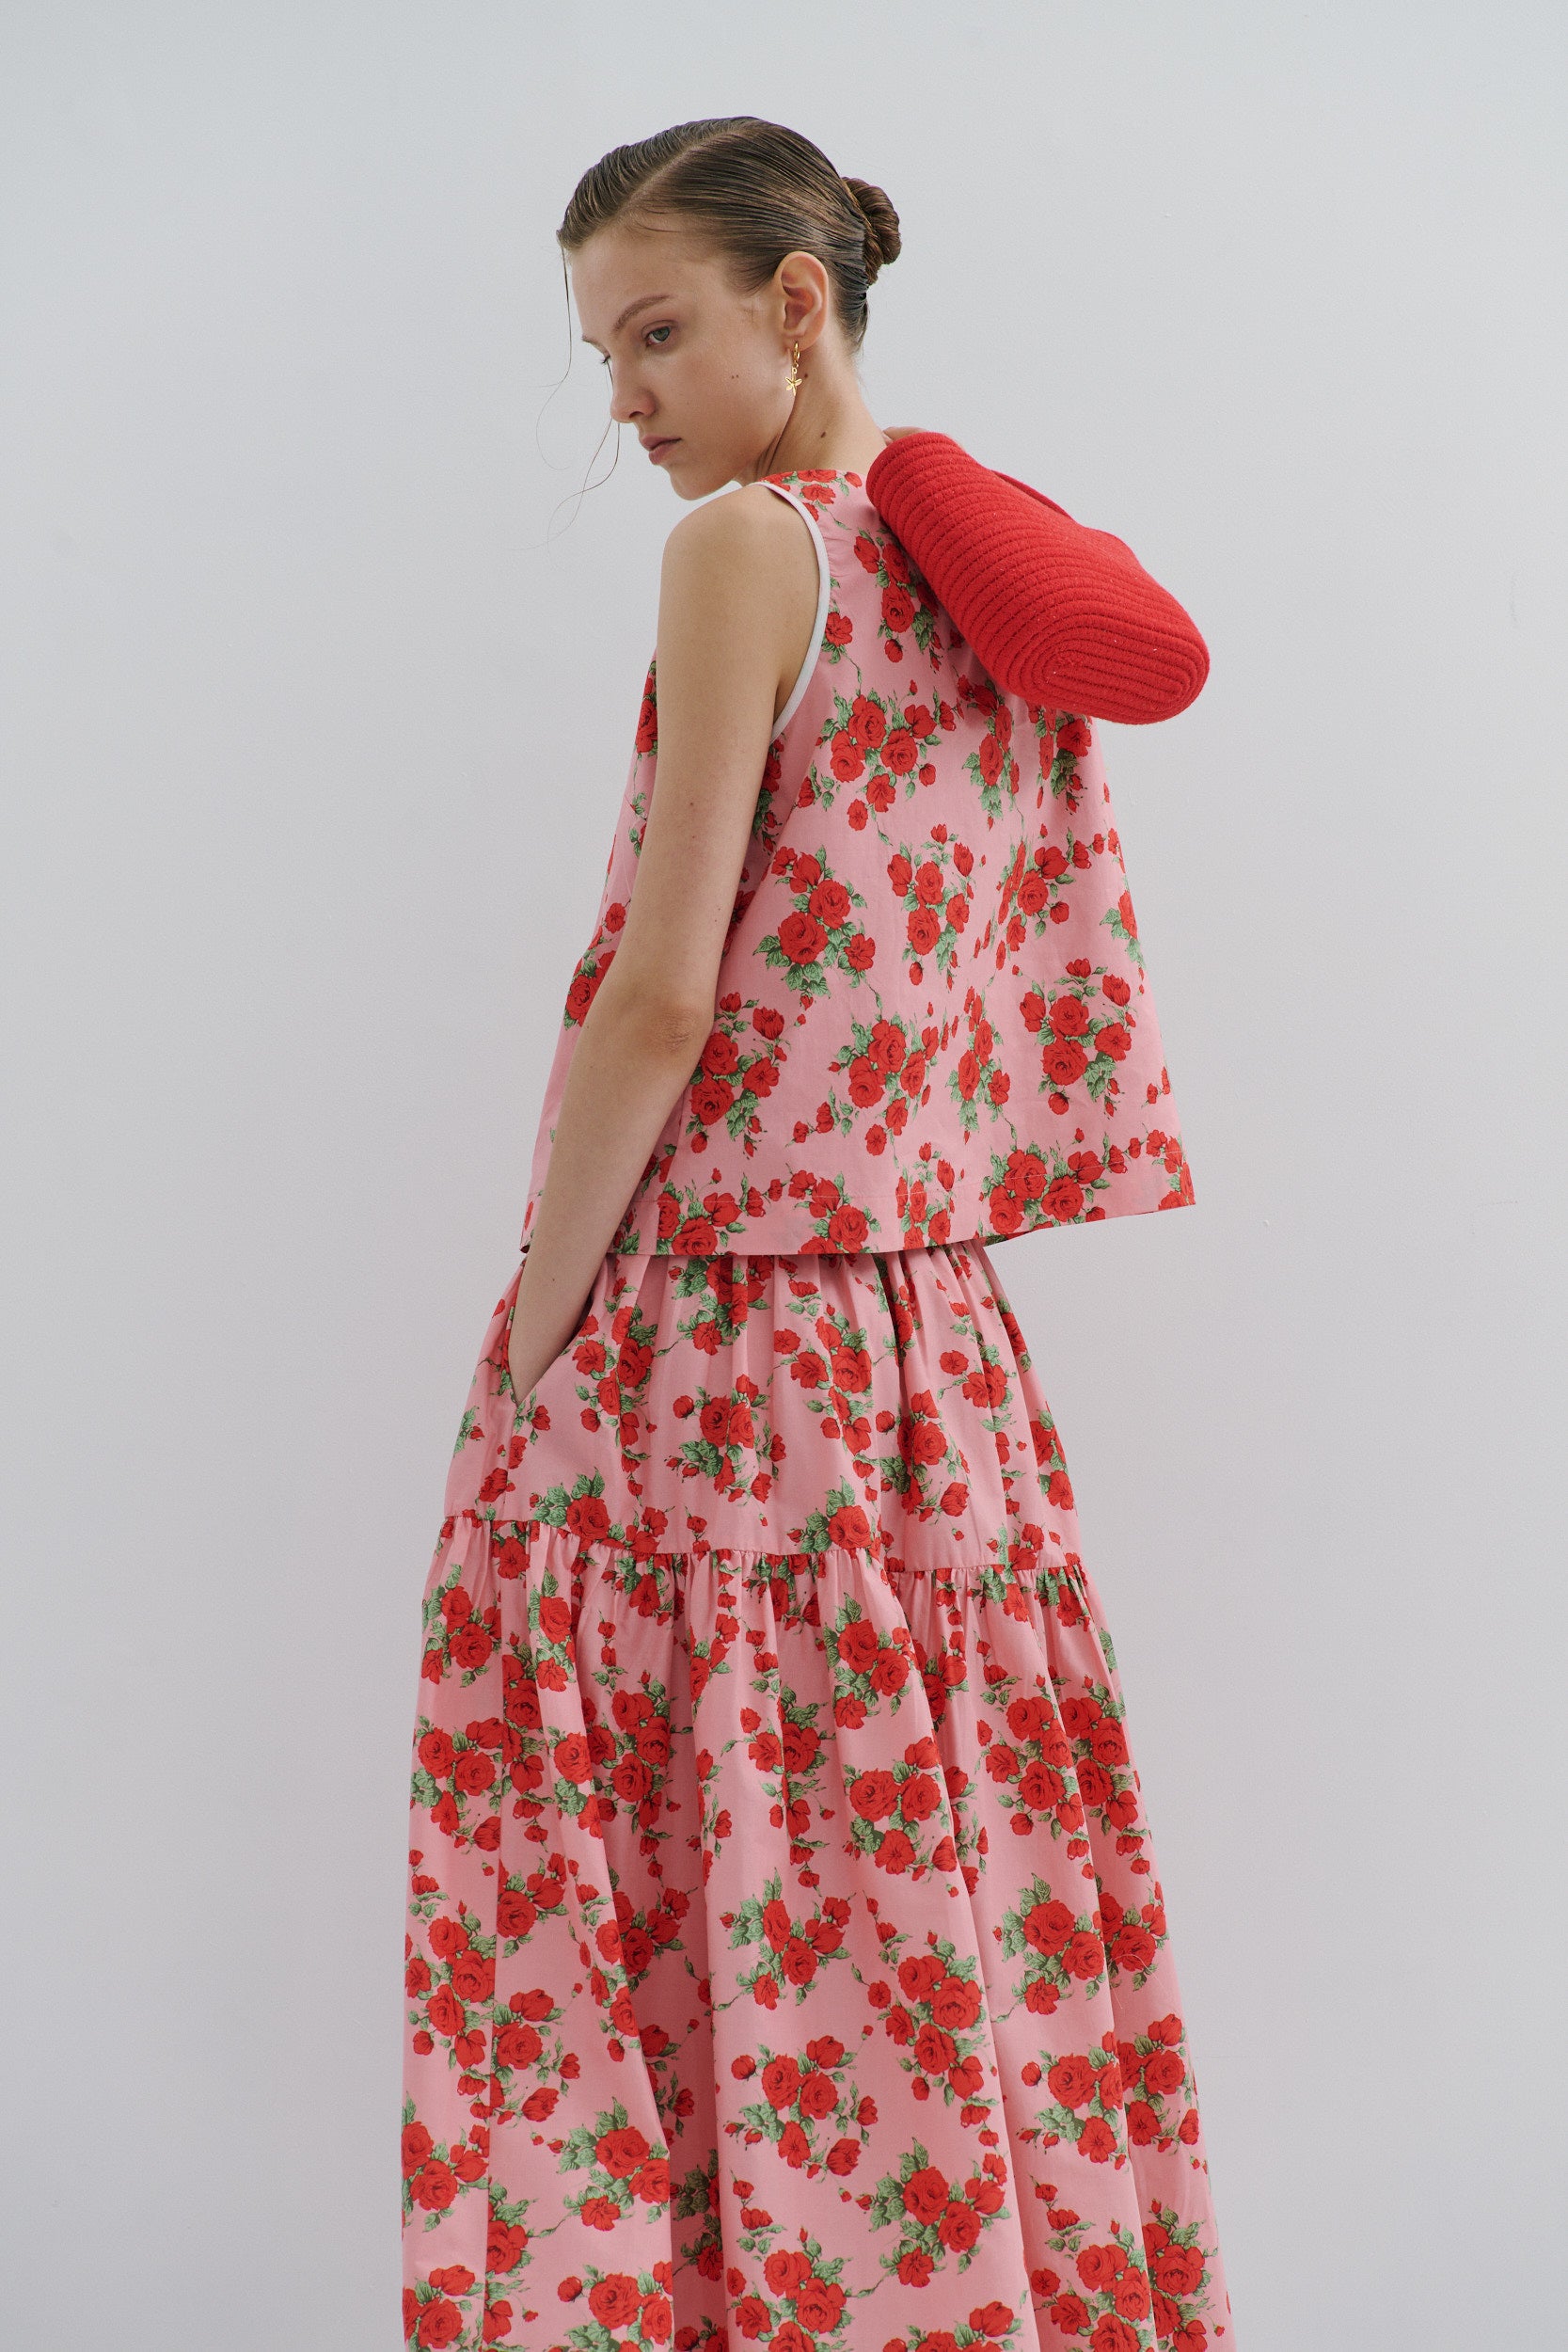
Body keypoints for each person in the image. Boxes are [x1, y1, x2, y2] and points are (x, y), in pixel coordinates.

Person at [400, 115, 1235, 2352]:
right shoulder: (986, 583)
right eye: (600, 351)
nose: (627, 395)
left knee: (680, 1868)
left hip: (721, 1331)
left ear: (801, 300)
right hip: (931, 1350)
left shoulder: (752, 549)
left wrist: (536, 1325)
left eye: (657, 327)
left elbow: (671, 996)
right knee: (923, 1862)